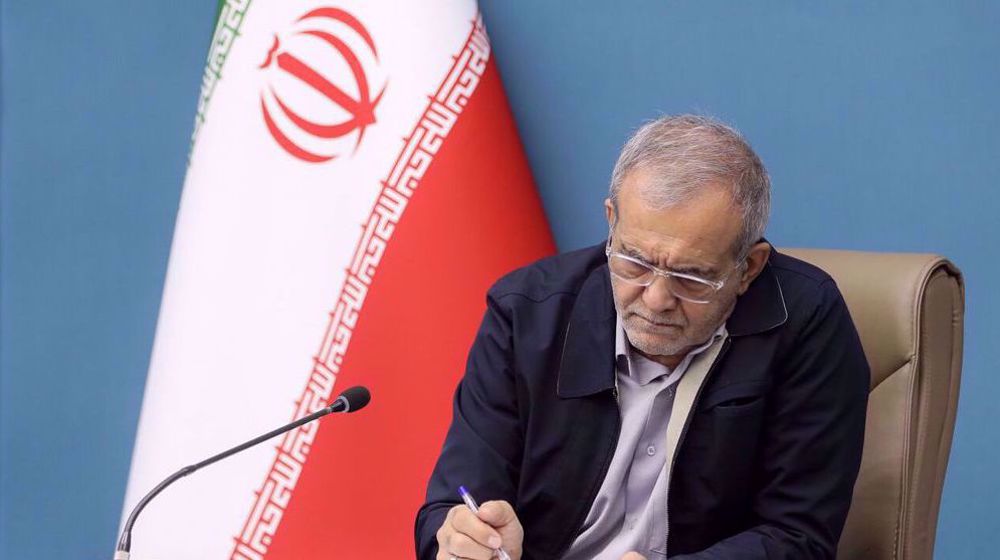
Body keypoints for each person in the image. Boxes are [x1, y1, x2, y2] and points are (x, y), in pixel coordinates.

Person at [415, 115, 869, 560]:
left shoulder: (805, 320)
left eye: (691, 277)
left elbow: (799, 536)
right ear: (612, 221)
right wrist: (457, 540)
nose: (655, 299)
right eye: (635, 263)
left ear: (748, 267)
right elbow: (451, 505)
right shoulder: (527, 312)